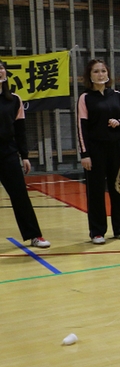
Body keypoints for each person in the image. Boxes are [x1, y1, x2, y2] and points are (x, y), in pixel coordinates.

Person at [77, 59, 120, 245]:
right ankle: (97, 231)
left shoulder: (117, 95)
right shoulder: (85, 98)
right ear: (89, 75)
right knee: (96, 191)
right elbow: (81, 128)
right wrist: (85, 154)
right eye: (96, 71)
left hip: (116, 148)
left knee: (118, 188)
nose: (100, 74)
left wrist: (119, 122)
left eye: (103, 71)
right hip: (95, 150)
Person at [0, 59, 50, 248]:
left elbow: (20, 131)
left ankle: (34, 235)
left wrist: (25, 156)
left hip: (8, 154)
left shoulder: (14, 100)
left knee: (20, 195)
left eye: (1, 68)